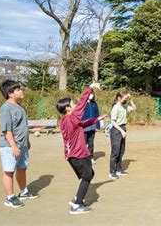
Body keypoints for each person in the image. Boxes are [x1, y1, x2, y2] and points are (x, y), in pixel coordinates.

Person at [56, 82, 107, 214]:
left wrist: (96, 119)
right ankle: (77, 205)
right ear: (67, 108)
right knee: (87, 176)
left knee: (89, 174)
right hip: (77, 155)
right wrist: (90, 87)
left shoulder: (67, 120)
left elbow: (82, 124)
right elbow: (81, 104)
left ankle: (76, 199)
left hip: (73, 155)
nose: (75, 105)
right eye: (72, 103)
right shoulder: (71, 117)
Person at [0, 80, 39, 208]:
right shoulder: (6, 108)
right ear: (10, 94)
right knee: (9, 171)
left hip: (22, 145)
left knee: (22, 168)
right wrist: (14, 146)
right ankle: (10, 197)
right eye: (18, 90)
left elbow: (22, 127)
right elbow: (7, 130)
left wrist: (27, 142)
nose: (21, 91)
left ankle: (24, 192)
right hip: (10, 146)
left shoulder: (19, 106)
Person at [109, 91, 136, 179]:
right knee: (115, 152)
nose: (125, 100)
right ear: (119, 98)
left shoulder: (124, 107)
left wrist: (130, 99)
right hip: (117, 130)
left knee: (121, 151)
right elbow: (113, 121)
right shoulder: (115, 108)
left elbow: (134, 108)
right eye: (124, 98)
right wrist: (121, 131)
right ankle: (112, 171)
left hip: (123, 129)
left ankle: (118, 169)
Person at [83, 91, 100, 164]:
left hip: (92, 126)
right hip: (84, 126)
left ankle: (91, 157)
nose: (91, 95)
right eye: (90, 94)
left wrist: (98, 125)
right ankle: (83, 158)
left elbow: (97, 114)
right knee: (83, 143)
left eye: (92, 94)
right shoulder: (82, 104)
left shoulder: (94, 104)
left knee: (91, 143)